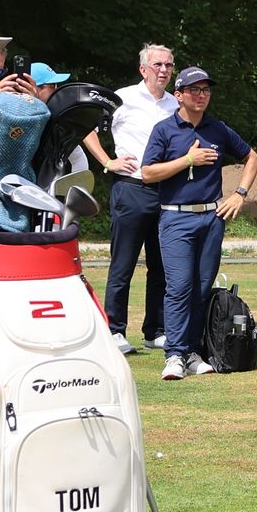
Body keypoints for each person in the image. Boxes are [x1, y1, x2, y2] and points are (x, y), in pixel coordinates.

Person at [138, 67, 257, 381]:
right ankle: (175, 354)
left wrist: (239, 194)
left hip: (211, 217)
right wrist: (187, 161)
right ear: (178, 95)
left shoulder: (217, 129)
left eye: (205, 90)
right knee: (179, 287)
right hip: (176, 217)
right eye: (194, 90)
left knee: (202, 289)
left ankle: (192, 352)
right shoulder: (164, 130)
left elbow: (251, 157)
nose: (201, 95)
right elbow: (147, 173)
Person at [83, 43, 180, 355]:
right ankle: (114, 330)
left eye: (168, 65)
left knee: (161, 265)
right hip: (131, 188)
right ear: (143, 69)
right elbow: (86, 129)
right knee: (123, 264)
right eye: (157, 65)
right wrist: (107, 161)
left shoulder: (175, 104)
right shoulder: (122, 98)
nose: (163, 70)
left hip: (167, 190)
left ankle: (156, 330)